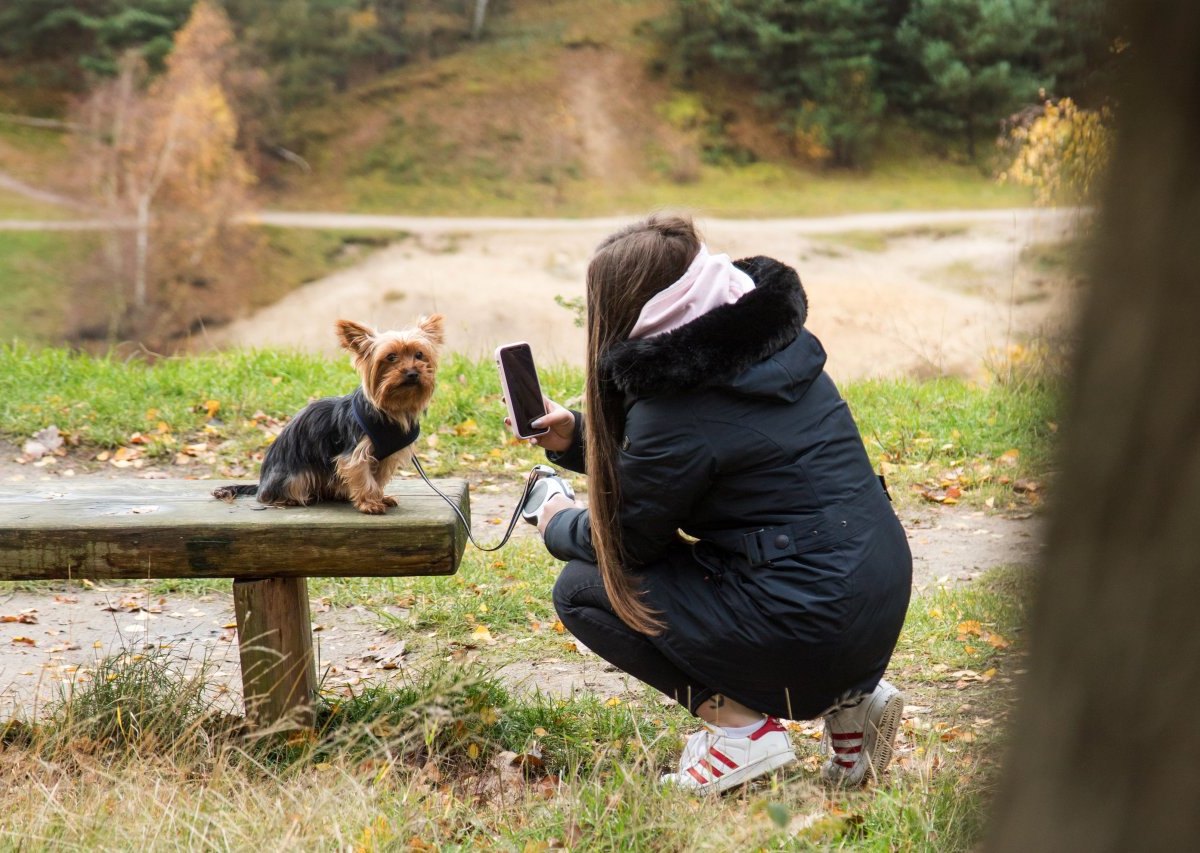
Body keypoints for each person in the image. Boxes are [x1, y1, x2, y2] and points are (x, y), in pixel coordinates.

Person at [518, 214, 912, 793]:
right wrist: (578, 437)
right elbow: (692, 467)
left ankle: (742, 734)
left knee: (583, 586)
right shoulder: (771, 343)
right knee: (746, 554)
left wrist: (555, 521)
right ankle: (854, 703)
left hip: (812, 621)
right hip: (873, 594)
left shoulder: (676, 403)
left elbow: (628, 540)